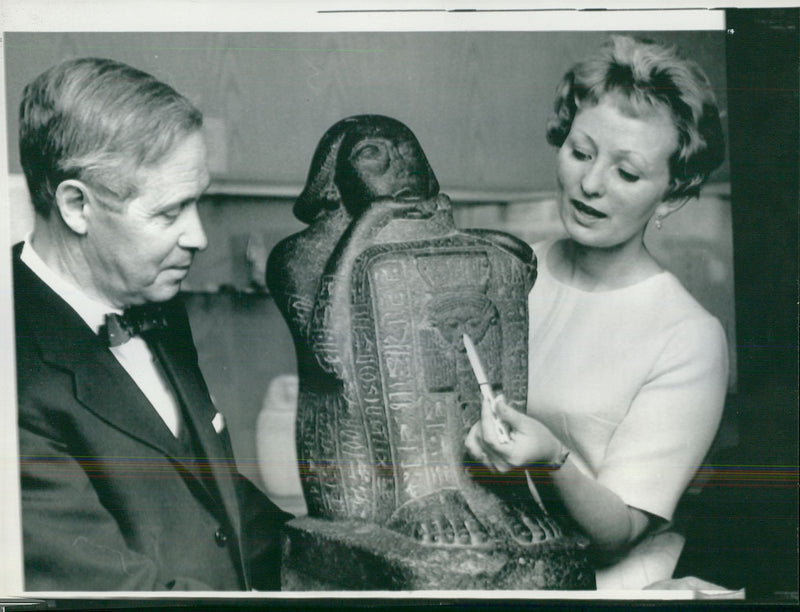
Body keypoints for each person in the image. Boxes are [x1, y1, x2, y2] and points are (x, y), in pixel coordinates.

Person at [13, 57, 291, 591]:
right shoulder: (11, 363)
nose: (199, 237)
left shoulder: (152, 303)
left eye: (198, 204)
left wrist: (345, 565)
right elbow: (111, 592)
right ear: (76, 205)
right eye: (170, 213)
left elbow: (211, 499)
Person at [465, 35, 728, 589]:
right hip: (487, 565)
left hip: (601, 587)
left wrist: (551, 457)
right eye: (581, 153)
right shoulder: (507, 275)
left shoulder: (687, 337)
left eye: (627, 174)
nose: (590, 184)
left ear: (673, 192)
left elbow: (621, 530)